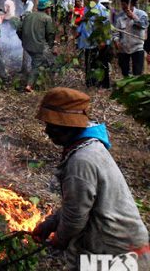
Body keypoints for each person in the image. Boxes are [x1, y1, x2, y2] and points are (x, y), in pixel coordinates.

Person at [32, 87, 150, 271]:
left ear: (67, 126)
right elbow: (79, 203)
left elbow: (75, 217)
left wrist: (59, 240)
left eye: (51, 125)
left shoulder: (81, 161)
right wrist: (51, 224)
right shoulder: (90, 148)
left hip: (117, 252)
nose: (46, 131)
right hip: (124, 245)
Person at [17, 0, 57, 93]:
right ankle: (30, 85)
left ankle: (42, 80)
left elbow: (19, 30)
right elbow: (50, 34)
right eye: (49, 7)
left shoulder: (28, 16)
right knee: (47, 62)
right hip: (39, 46)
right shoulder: (47, 18)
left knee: (40, 61)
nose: (50, 9)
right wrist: (51, 46)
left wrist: (24, 40)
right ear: (47, 8)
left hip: (27, 46)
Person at [76, 0, 111, 88]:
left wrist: (103, 42)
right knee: (89, 65)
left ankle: (104, 85)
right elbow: (83, 23)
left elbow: (106, 27)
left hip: (100, 43)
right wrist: (78, 33)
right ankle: (90, 84)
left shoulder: (102, 10)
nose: (89, 1)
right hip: (88, 43)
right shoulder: (87, 9)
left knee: (101, 65)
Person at [113, 0, 149, 77]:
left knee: (137, 72)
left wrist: (134, 17)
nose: (122, 7)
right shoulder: (120, 16)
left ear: (131, 4)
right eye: (122, 4)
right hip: (123, 48)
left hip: (138, 47)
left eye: (124, 5)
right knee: (124, 71)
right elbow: (116, 31)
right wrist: (116, 40)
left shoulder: (142, 14)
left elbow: (144, 25)